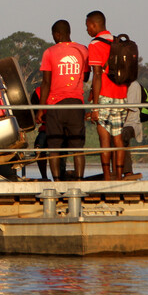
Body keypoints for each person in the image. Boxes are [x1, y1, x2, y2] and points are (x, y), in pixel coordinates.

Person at [37, 19, 88, 181]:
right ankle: (79, 180)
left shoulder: (49, 52)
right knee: (77, 148)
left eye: (53, 34)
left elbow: (46, 83)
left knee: (54, 148)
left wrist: (40, 109)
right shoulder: (82, 50)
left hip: (55, 106)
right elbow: (86, 77)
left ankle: (57, 182)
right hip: (76, 104)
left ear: (57, 34)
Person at [86, 10, 129, 180]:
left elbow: (97, 75)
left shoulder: (95, 44)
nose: (87, 29)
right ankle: (118, 176)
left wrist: (95, 106)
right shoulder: (118, 41)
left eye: (87, 25)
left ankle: (107, 178)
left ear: (94, 24)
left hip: (104, 95)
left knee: (104, 140)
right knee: (117, 139)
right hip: (121, 95)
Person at [121, 80, 145, 180]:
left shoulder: (133, 85)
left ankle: (127, 172)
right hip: (120, 123)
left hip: (131, 123)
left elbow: (128, 109)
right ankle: (116, 171)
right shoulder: (119, 84)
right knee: (111, 135)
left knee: (121, 136)